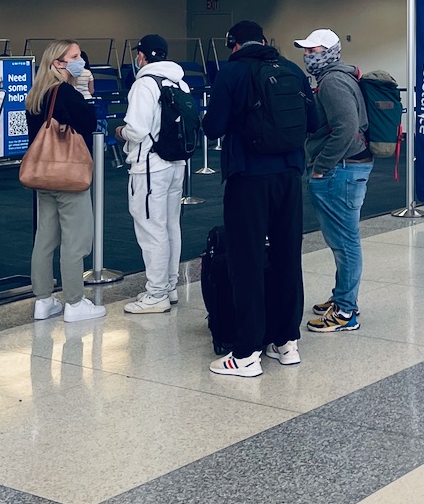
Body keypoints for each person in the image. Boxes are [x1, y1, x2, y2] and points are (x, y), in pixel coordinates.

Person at [201, 21, 317, 376]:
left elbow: (213, 127)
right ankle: (286, 342)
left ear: (233, 44)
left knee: (246, 260)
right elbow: (313, 120)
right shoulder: (291, 69)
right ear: (265, 42)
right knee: (286, 255)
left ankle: (247, 352)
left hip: (248, 176)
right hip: (289, 174)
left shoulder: (232, 72)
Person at [295, 28, 373, 334]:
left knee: (344, 242)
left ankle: (345, 311)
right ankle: (343, 297)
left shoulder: (332, 82)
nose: (308, 57)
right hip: (348, 167)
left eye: (314, 52)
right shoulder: (340, 76)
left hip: (341, 169)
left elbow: (346, 126)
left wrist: (321, 166)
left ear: (329, 52)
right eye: (307, 51)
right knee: (343, 240)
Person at [25, 40, 104, 323]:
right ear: (58, 63)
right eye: (74, 56)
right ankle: (74, 301)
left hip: (43, 175)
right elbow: (89, 124)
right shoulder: (66, 92)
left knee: (45, 238)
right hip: (69, 176)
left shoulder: (36, 94)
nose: (80, 60)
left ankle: (43, 299)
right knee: (75, 239)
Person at [119, 34, 192, 315]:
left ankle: (157, 293)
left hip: (149, 166)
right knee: (171, 224)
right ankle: (169, 285)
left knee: (151, 228)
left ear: (142, 57)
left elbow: (136, 130)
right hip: (176, 164)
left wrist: (121, 132)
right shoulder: (178, 81)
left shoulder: (144, 84)